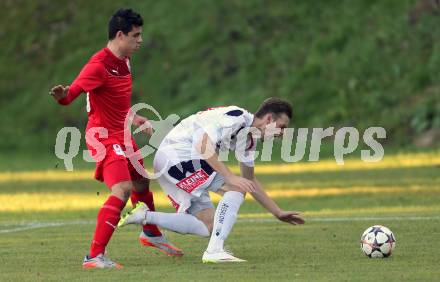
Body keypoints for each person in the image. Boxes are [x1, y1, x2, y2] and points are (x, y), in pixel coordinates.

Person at [49, 8, 182, 269]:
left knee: (142, 182)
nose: (140, 40)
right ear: (120, 35)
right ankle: (94, 256)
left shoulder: (125, 61)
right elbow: (69, 96)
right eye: (136, 35)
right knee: (122, 190)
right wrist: (62, 95)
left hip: (122, 133)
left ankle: (151, 233)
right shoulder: (97, 66)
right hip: (103, 137)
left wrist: (135, 119)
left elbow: (117, 103)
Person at [118, 97, 305, 263]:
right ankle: (214, 251)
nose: (282, 133)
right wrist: (231, 178)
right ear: (269, 119)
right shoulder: (236, 118)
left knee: (208, 226)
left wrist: (277, 211)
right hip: (180, 156)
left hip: (174, 159)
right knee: (236, 188)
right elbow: (203, 145)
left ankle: (144, 216)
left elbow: (250, 180)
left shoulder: (249, 140)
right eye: (282, 127)